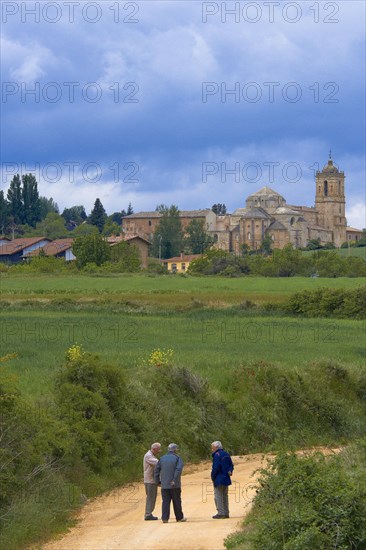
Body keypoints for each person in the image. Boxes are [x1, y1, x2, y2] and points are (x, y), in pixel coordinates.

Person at [154, 443, 186, 523]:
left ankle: (165, 518)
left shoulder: (162, 458)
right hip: (175, 485)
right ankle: (179, 517)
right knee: (177, 501)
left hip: (164, 485)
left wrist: (157, 481)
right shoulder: (177, 458)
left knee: (165, 501)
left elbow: (156, 471)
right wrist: (174, 480)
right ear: (175, 450)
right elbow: (178, 470)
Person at [211, 440, 234, 519]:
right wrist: (230, 471)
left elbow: (216, 468)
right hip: (226, 478)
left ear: (216, 447)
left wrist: (212, 477)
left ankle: (220, 513)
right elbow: (231, 465)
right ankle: (226, 512)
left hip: (219, 478)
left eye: (212, 448)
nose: (212, 449)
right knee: (225, 496)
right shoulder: (226, 454)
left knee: (218, 496)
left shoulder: (217, 455)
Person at [143, 442, 161, 520]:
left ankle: (149, 513)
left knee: (152, 497)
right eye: (158, 450)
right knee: (150, 497)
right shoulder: (148, 456)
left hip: (151, 480)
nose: (159, 451)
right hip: (149, 480)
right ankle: (148, 514)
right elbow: (158, 463)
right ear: (154, 449)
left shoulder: (151, 455)